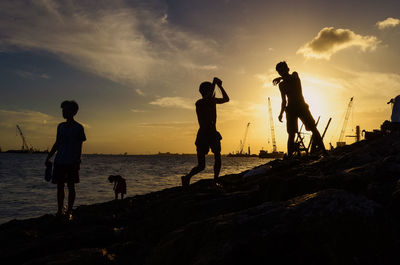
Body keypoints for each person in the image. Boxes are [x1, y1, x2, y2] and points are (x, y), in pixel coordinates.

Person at [181, 77, 229, 188]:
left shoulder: (213, 101)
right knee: (201, 165)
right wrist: (214, 83)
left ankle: (216, 179)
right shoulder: (199, 103)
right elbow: (207, 98)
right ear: (205, 92)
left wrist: (220, 86)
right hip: (203, 135)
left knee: (218, 156)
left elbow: (226, 99)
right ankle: (187, 177)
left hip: (213, 134)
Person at [273, 61, 326, 157]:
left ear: (287, 69)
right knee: (291, 134)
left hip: (302, 107)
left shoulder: (295, 75)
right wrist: (281, 113)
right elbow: (284, 101)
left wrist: (280, 78)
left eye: (282, 70)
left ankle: (324, 151)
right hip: (290, 110)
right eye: (279, 71)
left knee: (313, 128)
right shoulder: (281, 85)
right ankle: (289, 157)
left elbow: (290, 78)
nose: (281, 72)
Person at [45, 100, 86, 217]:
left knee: (71, 186)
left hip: (71, 161)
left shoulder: (79, 128)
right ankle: (59, 210)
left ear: (73, 112)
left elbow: (79, 146)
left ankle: (69, 210)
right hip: (59, 160)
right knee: (59, 186)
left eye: (66, 110)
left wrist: (78, 161)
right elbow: (57, 143)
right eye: (63, 110)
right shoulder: (60, 126)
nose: (63, 112)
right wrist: (49, 157)